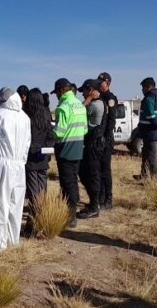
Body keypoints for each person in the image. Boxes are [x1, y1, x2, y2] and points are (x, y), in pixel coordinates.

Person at [0, 87, 31, 252]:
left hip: (2, 163)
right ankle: (12, 239)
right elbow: (27, 144)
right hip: (19, 166)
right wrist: (22, 161)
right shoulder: (25, 118)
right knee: (15, 204)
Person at [51, 78, 87, 228]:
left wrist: (49, 129)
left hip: (65, 150)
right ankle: (71, 209)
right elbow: (85, 129)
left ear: (60, 91)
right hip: (78, 149)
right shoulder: (80, 105)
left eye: (56, 94)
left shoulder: (63, 108)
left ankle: (70, 216)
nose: (56, 97)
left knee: (67, 183)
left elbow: (59, 132)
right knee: (73, 180)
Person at [76, 80, 107, 219]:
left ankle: (95, 206)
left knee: (92, 174)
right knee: (85, 173)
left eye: (84, 91)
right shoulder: (97, 103)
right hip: (92, 143)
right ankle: (94, 203)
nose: (82, 94)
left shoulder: (95, 104)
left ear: (90, 90)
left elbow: (77, 112)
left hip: (94, 144)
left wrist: (88, 99)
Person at [22, 88, 55, 222]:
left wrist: (32, 148)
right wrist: (45, 149)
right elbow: (51, 137)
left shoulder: (25, 117)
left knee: (33, 192)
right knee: (42, 190)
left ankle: (34, 222)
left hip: (30, 159)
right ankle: (42, 218)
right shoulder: (46, 115)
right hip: (42, 159)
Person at [134, 77, 157, 180]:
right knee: (145, 154)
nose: (142, 90)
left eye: (143, 88)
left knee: (151, 156)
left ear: (148, 87)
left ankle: (154, 179)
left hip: (149, 131)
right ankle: (144, 175)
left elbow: (150, 116)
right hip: (153, 131)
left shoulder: (149, 98)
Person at [95, 72, 117, 210]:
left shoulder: (110, 98)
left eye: (101, 82)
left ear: (107, 83)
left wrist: (105, 136)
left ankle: (108, 198)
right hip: (98, 138)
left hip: (106, 139)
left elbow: (111, 120)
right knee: (98, 170)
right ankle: (100, 197)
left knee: (105, 170)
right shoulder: (99, 97)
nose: (98, 84)